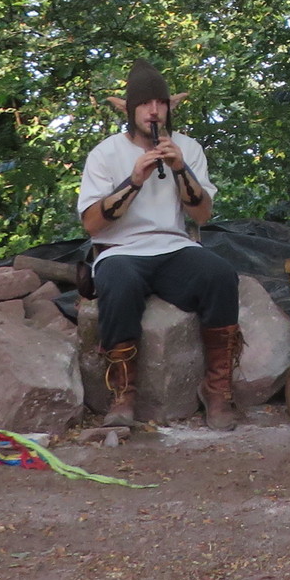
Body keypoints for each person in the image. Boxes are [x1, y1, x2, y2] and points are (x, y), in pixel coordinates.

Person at [76, 62, 239, 431]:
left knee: (220, 275)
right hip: (119, 250)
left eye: (160, 103)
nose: (153, 112)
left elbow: (202, 215)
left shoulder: (188, 148)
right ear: (129, 110)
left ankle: (217, 389)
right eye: (145, 104)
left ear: (169, 107)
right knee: (118, 281)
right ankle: (123, 395)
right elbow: (92, 224)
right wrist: (134, 180)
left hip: (174, 247)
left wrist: (180, 168)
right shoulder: (105, 153)